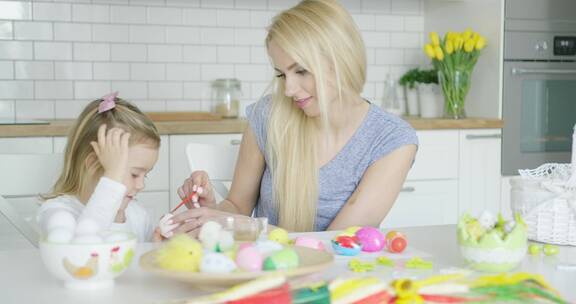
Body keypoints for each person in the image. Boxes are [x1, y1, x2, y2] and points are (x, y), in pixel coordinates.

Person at [172, 0, 418, 234]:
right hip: (265, 270)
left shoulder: (391, 139)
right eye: (281, 75)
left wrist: (243, 225)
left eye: (301, 71)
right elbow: (238, 207)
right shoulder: (267, 116)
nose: (289, 89)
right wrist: (213, 210)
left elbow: (336, 244)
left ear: (341, 62)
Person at [37, 92, 162, 242]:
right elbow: (84, 252)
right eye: (134, 174)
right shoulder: (57, 213)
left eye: (145, 175)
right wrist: (112, 178)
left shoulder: (138, 216)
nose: (141, 185)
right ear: (93, 164)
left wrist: (158, 246)